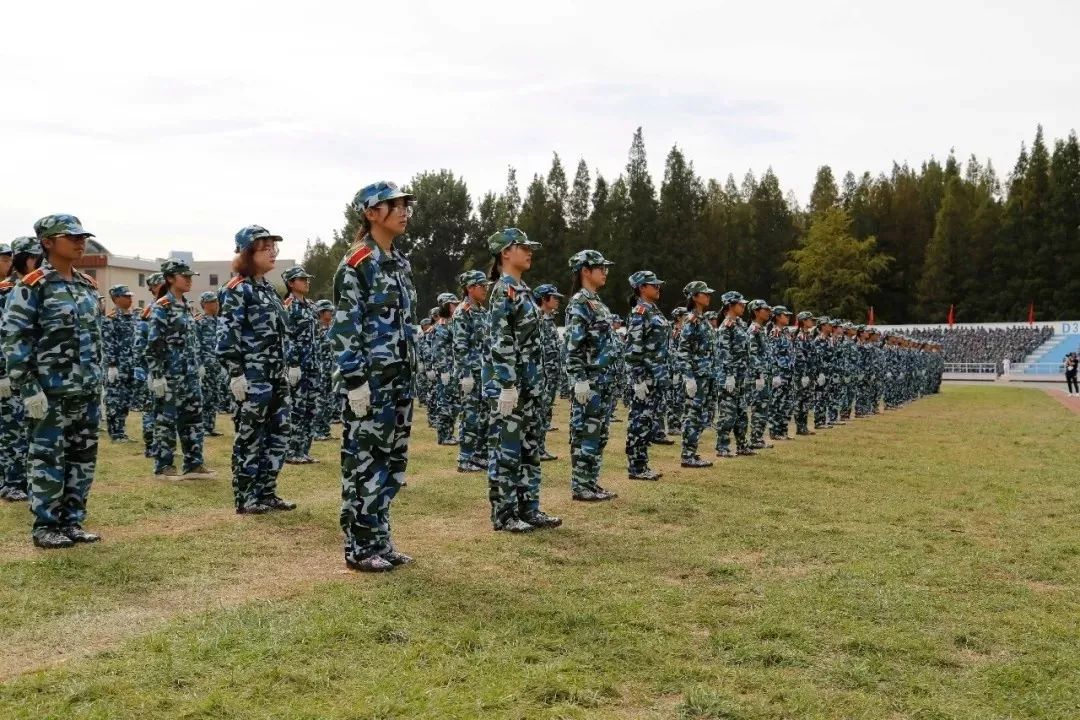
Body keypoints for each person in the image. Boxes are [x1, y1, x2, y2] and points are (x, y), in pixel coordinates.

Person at [331, 181, 420, 571]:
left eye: (404, 205)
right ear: (371, 213)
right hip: (370, 384)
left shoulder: (398, 263)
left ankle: (381, 540)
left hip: (398, 381)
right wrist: (354, 381)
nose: (403, 211)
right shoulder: (357, 263)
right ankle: (360, 547)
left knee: (391, 464)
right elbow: (345, 326)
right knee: (364, 463)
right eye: (393, 205)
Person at [2, 215, 104, 548]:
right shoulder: (33, 285)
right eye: (71, 237)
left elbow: (94, 338)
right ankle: (46, 526)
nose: (80, 241)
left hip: (85, 389)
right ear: (47, 242)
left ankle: (72, 522)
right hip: (50, 392)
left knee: (82, 458)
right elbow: (15, 338)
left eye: (82, 236)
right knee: (47, 459)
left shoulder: (86, 285)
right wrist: (27, 385)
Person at [483, 228, 561, 532]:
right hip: (511, 386)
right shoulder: (503, 290)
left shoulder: (523, 290)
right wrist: (506, 383)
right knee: (507, 450)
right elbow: (500, 340)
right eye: (522, 248)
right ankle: (504, 515)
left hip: (530, 385)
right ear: (505, 253)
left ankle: (529, 508)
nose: (529, 252)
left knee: (529, 448)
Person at [218, 225, 296, 515]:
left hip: (275, 377)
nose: (273, 252)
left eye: (274, 247)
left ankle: (267, 492)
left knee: (279, 435)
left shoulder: (269, 290)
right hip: (252, 378)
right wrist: (236, 373)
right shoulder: (238, 290)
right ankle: (246, 497)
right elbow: (227, 337)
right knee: (250, 438)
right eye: (265, 247)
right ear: (248, 252)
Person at [147, 259, 214, 479]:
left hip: (190, 373)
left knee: (193, 418)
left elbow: (192, 342)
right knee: (166, 420)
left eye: (189, 276)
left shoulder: (186, 305)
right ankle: (164, 466)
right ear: (169, 278)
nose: (188, 280)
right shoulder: (162, 306)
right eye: (184, 276)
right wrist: (157, 375)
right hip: (170, 374)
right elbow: (154, 344)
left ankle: (194, 464)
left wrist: (198, 365)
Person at [565, 249, 619, 502]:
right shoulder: (579, 303)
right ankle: (580, 485)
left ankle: (591, 481)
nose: (604, 272)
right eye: (600, 268)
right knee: (586, 432)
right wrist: (579, 380)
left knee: (599, 434)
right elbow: (573, 346)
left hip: (604, 380)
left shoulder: (598, 303)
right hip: (590, 381)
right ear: (585, 271)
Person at [624, 270, 669, 480]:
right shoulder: (640, 312)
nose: (658, 288)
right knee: (639, 421)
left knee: (648, 421)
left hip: (656, 376)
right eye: (654, 285)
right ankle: (636, 466)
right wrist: (638, 380)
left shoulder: (654, 311)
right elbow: (633, 349)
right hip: (645, 377)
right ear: (642, 288)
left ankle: (642, 464)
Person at [0, 239, 35, 503]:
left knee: (24, 429)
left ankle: (22, 479)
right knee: (11, 430)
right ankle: (10, 482)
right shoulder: (7, 292)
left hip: (28, 373)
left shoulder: (35, 289)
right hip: (7, 375)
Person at [452, 270, 492, 473]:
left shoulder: (482, 312)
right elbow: (460, 346)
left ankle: (479, 455)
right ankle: (465, 458)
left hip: (484, 373)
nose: (486, 289)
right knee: (470, 416)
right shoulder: (463, 311)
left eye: (486, 285)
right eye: (482, 285)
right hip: (471, 373)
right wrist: (465, 373)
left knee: (484, 416)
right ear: (470, 288)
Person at [282, 265, 320, 464]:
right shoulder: (288, 306)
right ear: (290, 283)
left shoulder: (312, 306)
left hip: (313, 365)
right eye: (301, 279)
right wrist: (293, 363)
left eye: (307, 279)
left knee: (311, 410)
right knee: (297, 409)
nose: (307, 282)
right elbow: (287, 337)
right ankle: (291, 451)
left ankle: (304, 450)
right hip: (299, 367)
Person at [678, 280, 717, 468]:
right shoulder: (691, 320)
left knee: (701, 415)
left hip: (706, 374)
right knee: (693, 415)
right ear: (694, 297)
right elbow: (684, 350)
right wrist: (688, 377)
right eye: (704, 293)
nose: (708, 296)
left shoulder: (703, 320)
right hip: (696, 375)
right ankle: (687, 454)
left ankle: (692, 452)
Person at [716, 291, 752, 457]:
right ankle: (722, 446)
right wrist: (729, 375)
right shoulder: (727, 326)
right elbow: (724, 352)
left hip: (740, 375)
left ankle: (742, 445)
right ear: (730, 305)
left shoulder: (740, 325)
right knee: (728, 414)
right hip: (729, 376)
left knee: (741, 413)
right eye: (740, 304)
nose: (743, 306)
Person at [134, 274, 165, 457]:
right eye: (159, 284)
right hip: (150, 369)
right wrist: (146, 370)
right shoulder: (150, 310)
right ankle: (151, 446)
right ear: (152, 288)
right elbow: (140, 344)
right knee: (150, 408)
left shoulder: (172, 306)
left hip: (168, 368)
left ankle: (162, 445)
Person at [102, 284, 137, 442]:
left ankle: (121, 431)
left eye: (130, 296)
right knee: (114, 400)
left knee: (125, 400)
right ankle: (115, 434)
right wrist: (111, 365)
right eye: (126, 296)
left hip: (131, 366)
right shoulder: (110, 320)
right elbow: (108, 343)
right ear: (116, 298)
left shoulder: (134, 318)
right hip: (117, 367)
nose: (130, 299)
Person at [534, 283, 564, 461]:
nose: (557, 301)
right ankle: (534, 449)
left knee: (545, 412)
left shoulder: (549, 319)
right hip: (541, 374)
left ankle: (540, 447)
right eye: (554, 298)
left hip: (551, 374)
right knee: (539, 411)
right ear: (544, 299)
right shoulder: (537, 319)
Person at [430, 292, 461, 446]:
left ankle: (449, 433)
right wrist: (443, 371)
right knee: (445, 403)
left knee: (454, 404)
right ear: (446, 306)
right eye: (453, 304)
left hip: (453, 370)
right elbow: (438, 351)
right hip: (446, 371)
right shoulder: (441, 326)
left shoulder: (452, 323)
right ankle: (443, 436)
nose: (456, 306)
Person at [195, 291, 225, 437]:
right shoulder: (199, 322)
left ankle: (210, 426)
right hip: (205, 366)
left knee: (214, 396)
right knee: (205, 397)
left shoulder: (219, 321)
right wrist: (199, 364)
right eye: (213, 302)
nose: (216, 304)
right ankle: (202, 427)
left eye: (216, 301)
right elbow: (196, 345)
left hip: (217, 365)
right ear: (205, 304)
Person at [745, 299, 774, 450]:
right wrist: (759, 375)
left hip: (764, 374)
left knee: (763, 407)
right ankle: (755, 438)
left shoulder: (761, 329)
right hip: (758, 376)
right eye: (765, 309)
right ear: (756, 311)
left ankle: (758, 438)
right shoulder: (754, 330)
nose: (768, 312)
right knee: (759, 407)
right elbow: (753, 354)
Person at [312, 299, 336, 440]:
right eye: (329, 311)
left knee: (329, 401)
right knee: (320, 401)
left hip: (331, 370)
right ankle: (317, 431)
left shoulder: (332, 328)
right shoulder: (315, 329)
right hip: (320, 370)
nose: (331, 313)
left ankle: (325, 431)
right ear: (321, 312)